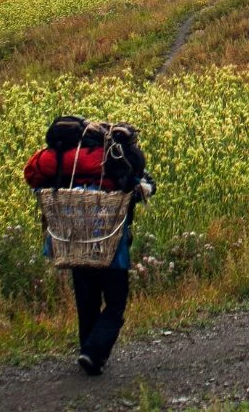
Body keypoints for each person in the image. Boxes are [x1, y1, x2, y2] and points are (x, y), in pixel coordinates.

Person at [24, 117, 156, 376]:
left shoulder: (66, 162)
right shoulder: (115, 159)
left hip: (73, 239)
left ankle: (87, 351)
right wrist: (144, 187)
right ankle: (94, 353)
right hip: (110, 245)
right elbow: (139, 187)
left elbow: (35, 180)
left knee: (87, 301)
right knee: (116, 302)